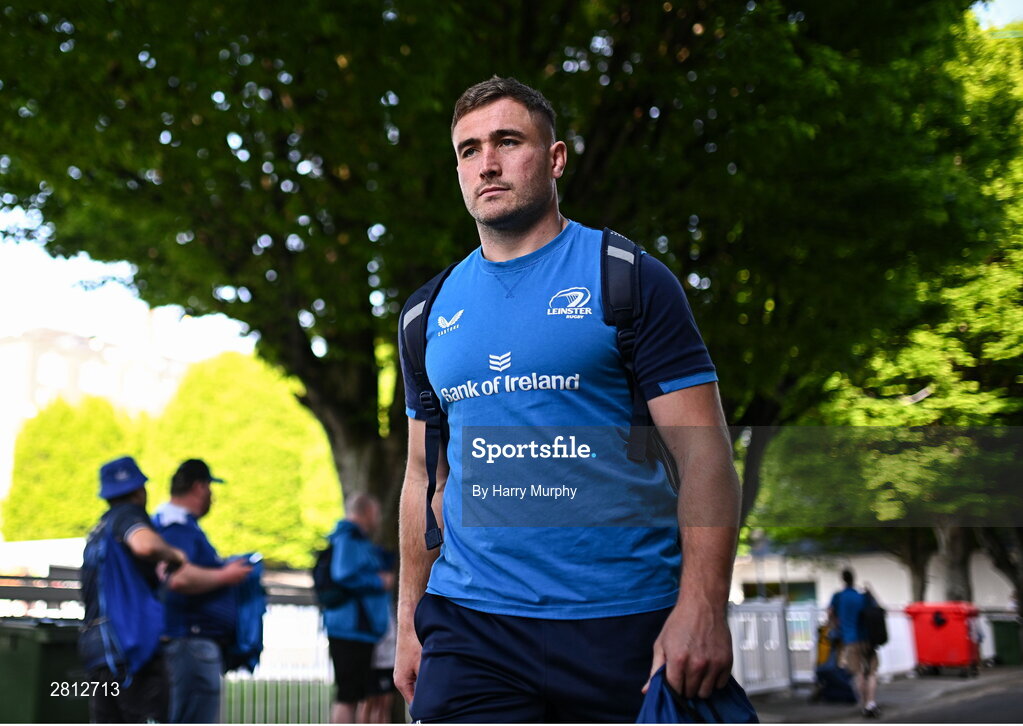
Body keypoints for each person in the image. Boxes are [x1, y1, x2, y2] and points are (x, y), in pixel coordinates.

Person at [395, 76, 741, 722]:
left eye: (507, 142)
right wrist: (409, 620)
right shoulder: (426, 314)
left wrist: (702, 604)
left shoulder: (629, 280)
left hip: (624, 619)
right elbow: (423, 478)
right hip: (474, 629)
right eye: (469, 150)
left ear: (554, 159)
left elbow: (705, 455)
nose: (486, 163)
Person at [78, 456, 189, 724]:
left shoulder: (98, 531)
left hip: (98, 653)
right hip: (131, 651)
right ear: (140, 491)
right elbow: (144, 545)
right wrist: (175, 555)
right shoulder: (129, 515)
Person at [153, 459, 253, 724]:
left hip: (191, 642)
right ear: (199, 487)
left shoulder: (179, 524)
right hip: (190, 641)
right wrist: (226, 575)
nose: (212, 495)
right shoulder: (176, 526)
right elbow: (177, 578)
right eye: (209, 487)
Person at [324, 493, 392, 723]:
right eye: (376, 513)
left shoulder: (355, 539)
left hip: (358, 629)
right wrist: (378, 581)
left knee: (354, 695)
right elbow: (343, 574)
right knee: (348, 696)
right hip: (351, 628)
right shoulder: (349, 538)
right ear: (367, 512)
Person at [828, 568, 881, 718]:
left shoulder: (838, 596)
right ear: (854, 578)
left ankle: (864, 705)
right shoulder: (862, 596)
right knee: (871, 672)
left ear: (842, 579)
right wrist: (870, 592)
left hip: (850, 640)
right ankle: (871, 703)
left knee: (858, 673)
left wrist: (836, 628)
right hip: (868, 639)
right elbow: (877, 609)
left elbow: (830, 613)